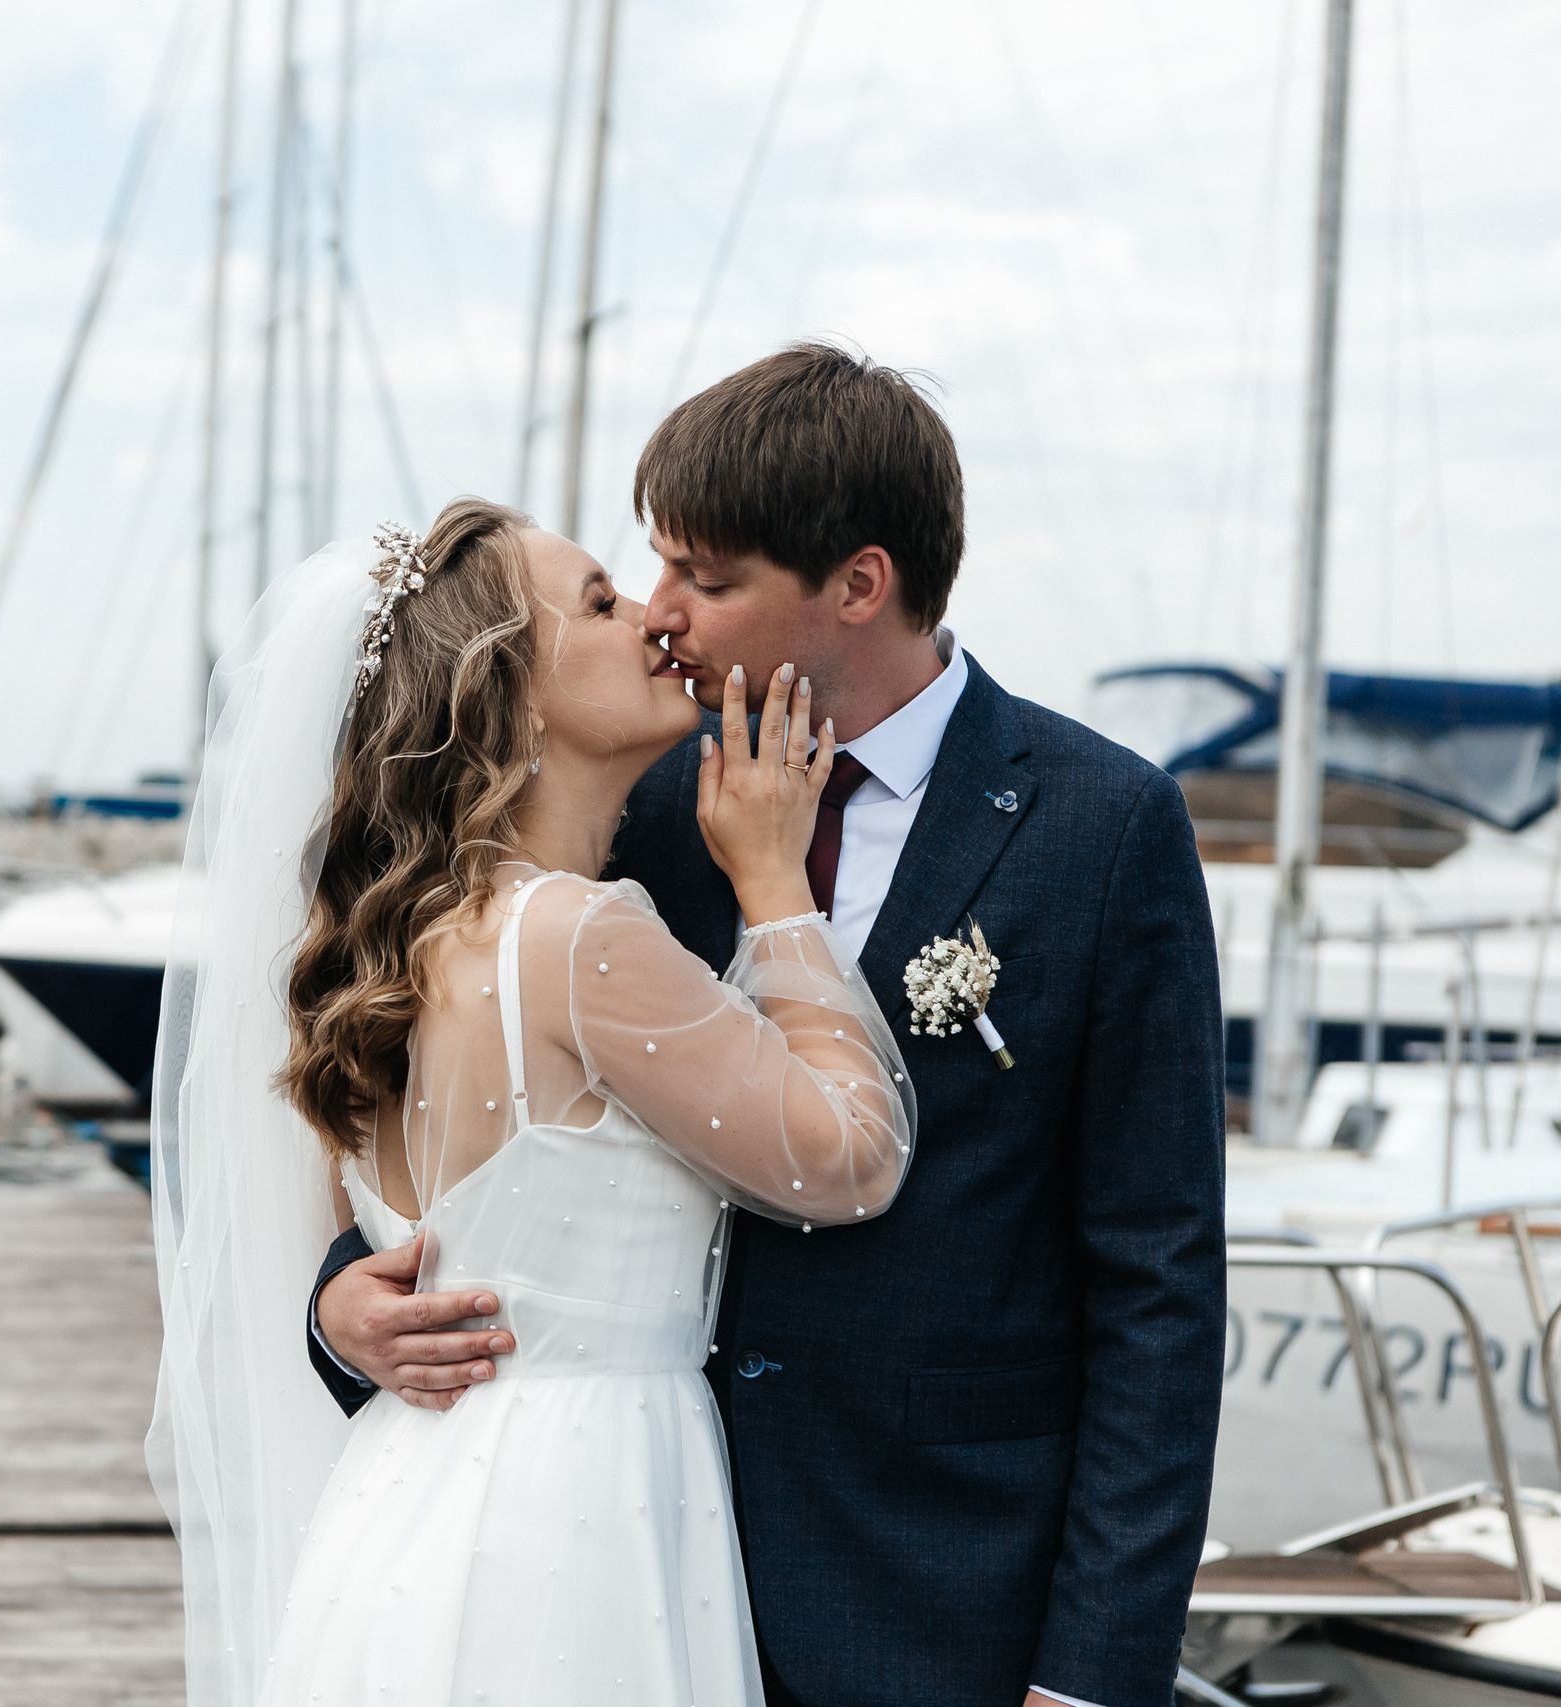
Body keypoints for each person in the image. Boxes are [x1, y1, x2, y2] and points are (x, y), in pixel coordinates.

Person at [309, 345, 1228, 1707]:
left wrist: (1093, 1671)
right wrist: (344, 1300)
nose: (665, 612)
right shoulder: (640, 801)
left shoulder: (1104, 825)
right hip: (619, 1555)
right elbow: (456, 1103)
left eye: (710, 579)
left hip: (943, 1596)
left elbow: (1159, 1277)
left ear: (858, 584)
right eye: (650, 570)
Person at [147, 494, 917, 1707]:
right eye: (601, 604)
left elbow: (364, 1234)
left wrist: (340, 1301)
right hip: (569, 1518)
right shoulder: (574, 935)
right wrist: (774, 888)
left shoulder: (387, 941)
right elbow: (853, 1158)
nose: (654, 621)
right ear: (506, 684)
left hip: (399, 1509)